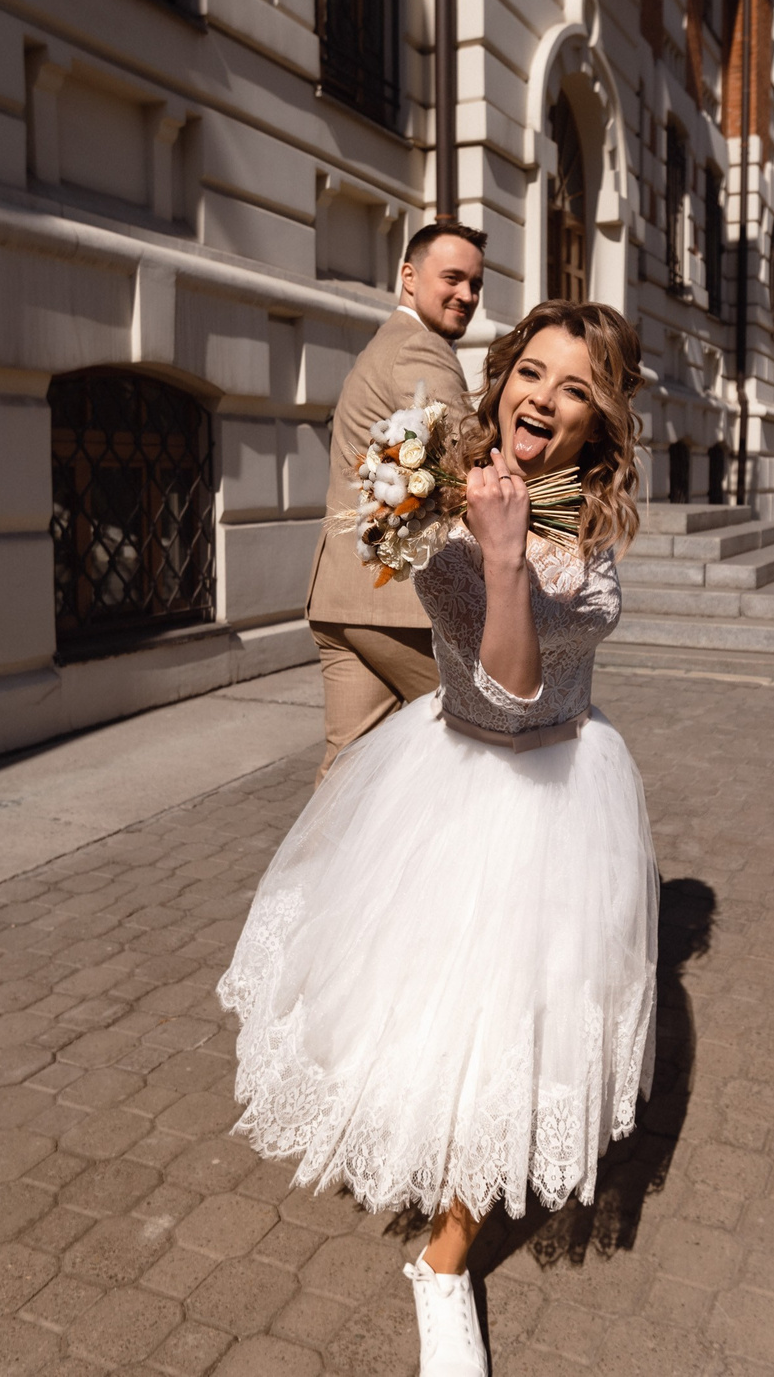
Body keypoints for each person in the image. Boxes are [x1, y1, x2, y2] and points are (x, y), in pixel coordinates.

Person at [218, 303, 657, 1377]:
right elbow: (473, 661)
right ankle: (413, 1143)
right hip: (448, 768)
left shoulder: (587, 556)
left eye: (574, 389)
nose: (542, 400)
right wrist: (463, 530)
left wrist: (513, 551)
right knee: (418, 992)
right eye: (531, 373)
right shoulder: (444, 492)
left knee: (520, 1020)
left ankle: (445, 1260)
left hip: (552, 794)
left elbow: (525, 691)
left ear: (598, 428)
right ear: (501, 378)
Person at [306, 221, 486, 777]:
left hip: (339, 598)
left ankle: (314, 868)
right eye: (452, 278)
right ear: (408, 277)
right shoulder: (420, 347)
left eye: (476, 284)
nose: (467, 295)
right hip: (394, 606)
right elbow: (465, 459)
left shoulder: (382, 344)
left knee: (347, 774)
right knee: (489, 735)